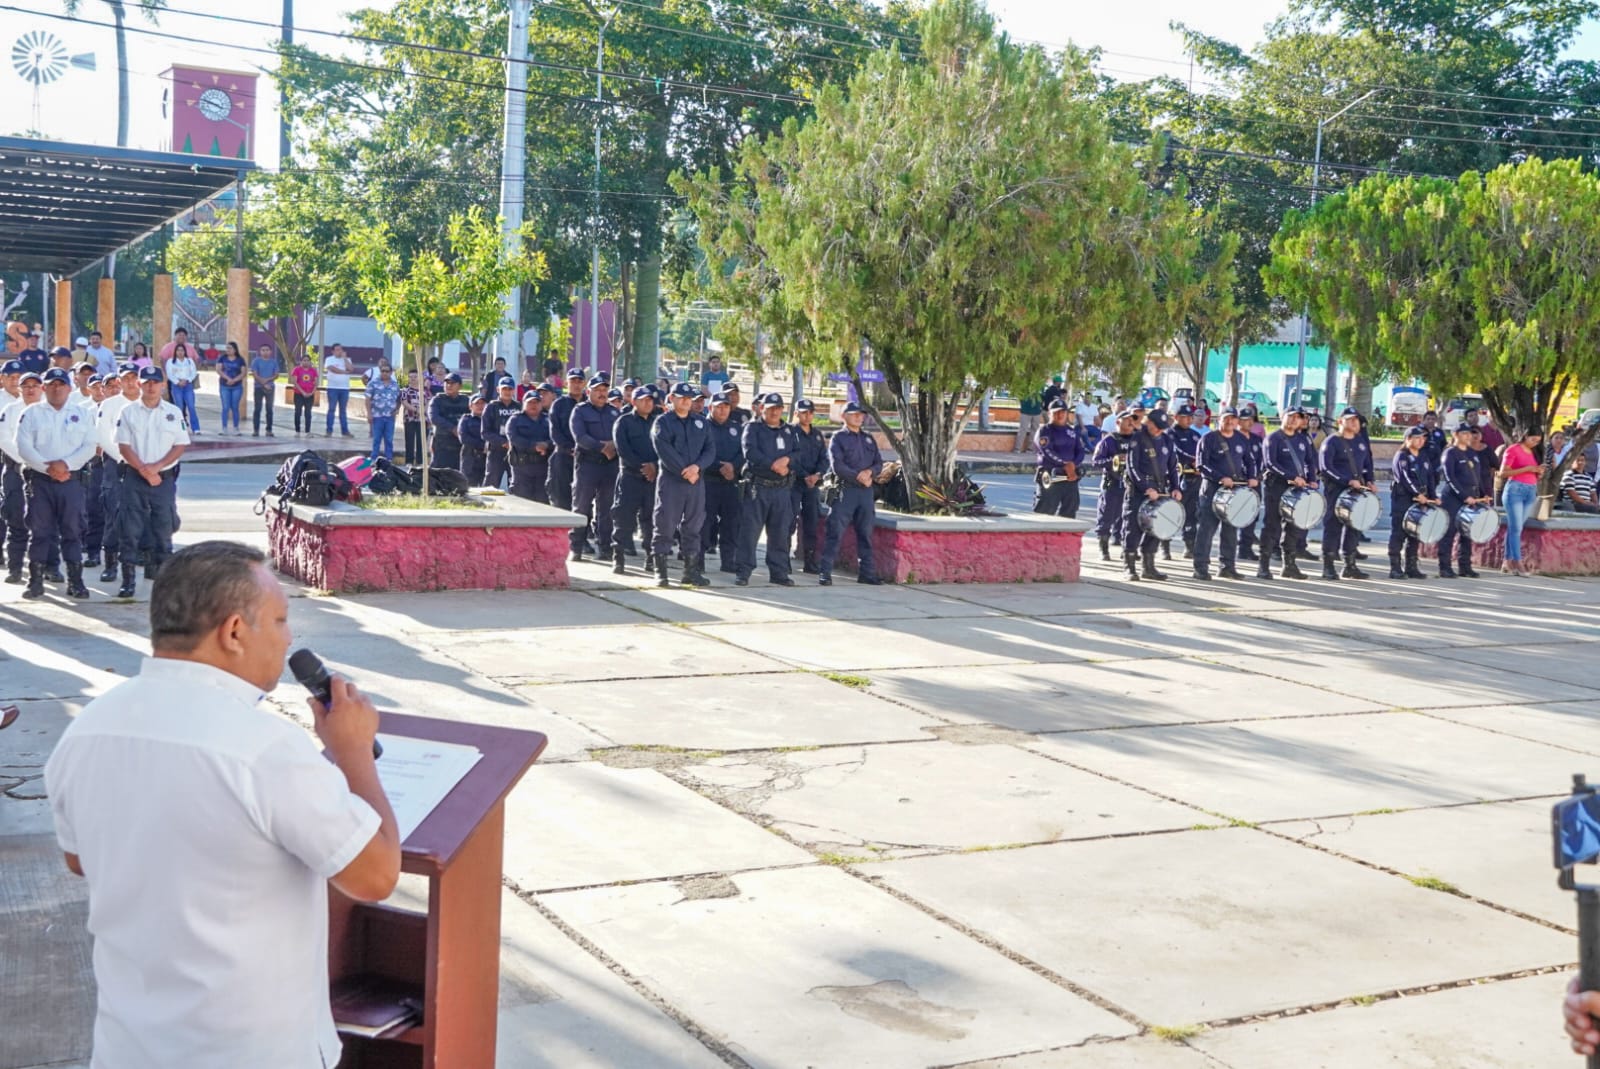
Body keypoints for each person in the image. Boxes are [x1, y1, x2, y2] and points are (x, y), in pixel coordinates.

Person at [43, 541, 400, 1069]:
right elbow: (375, 875)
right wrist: (353, 755)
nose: (289, 639)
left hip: (130, 1046)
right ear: (234, 632)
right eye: (279, 620)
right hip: (249, 1050)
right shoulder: (264, 749)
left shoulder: (88, 728)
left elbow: (79, 860)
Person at [15, 367, 98, 599]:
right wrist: (48, 468)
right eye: (51, 384)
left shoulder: (82, 413)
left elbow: (90, 445)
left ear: (69, 388)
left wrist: (66, 465)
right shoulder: (31, 413)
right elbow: (23, 446)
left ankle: (76, 581)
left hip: (71, 481)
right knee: (40, 532)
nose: (56, 388)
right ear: (44, 388)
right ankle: (35, 581)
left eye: (61, 384)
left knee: (73, 531)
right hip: (40, 481)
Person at [111, 366, 189, 597]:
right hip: (135, 477)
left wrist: (157, 467)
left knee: (163, 528)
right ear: (139, 384)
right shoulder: (128, 412)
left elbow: (180, 445)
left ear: (163, 385)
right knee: (130, 530)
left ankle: (164, 582)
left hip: (162, 478)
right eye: (146, 382)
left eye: (155, 382)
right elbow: (123, 445)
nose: (151, 386)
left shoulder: (173, 412)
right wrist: (144, 470)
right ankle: (128, 581)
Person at [651, 383, 714, 587]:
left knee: (694, 526)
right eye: (682, 397)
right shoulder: (663, 422)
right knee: (665, 524)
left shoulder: (701, 422)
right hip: (672, 481)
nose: (687, 401)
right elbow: (664, 450)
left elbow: (710, 449)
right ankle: (661, 572)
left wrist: (697, 467)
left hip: (696, 481)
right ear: (671, 398)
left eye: (690, 397)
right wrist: (685, 471)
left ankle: (690, 571)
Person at [817, 401, 884, 586]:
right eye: (854, 414)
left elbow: (879, 462)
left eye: (861, 414)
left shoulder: (868, 438)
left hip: (865, 492)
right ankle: (825, 572)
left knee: (866, 533)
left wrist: (870, 473)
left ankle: (867, 573)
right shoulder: (838, 438)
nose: (858, 417)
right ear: (844, 416)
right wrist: (858, 476)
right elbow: (837, 466)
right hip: (845, 491)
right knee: (835, 533)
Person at [736, 392, 797, 587]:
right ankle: (743, 572)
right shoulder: (752, 429)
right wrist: (772, 464)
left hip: (781, 490)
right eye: (770, 408)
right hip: (758, 487)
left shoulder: (789, 431)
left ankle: (778, 572)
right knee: (750, 532)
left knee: (780, 533)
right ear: (762, 408)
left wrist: (787, 461)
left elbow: (799, 452)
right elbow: (750, 451)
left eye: (778, 408)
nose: (774, 412)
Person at [1120, 408, 1182, 582]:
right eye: (1157, 426)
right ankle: (1129, 567)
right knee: (1133, 527)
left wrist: (1176, 487)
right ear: (1149, 423)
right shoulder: (1138, 439)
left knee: (1156, 526)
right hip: (1140, 490)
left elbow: (1172, 466)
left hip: (1160, 487)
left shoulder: (1167, 440)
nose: (1159, 430)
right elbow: (1132, 467)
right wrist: (1145, 487)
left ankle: (1149, 566)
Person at [1192, 407, 1253, 582]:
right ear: (1220, 420)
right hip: (1212, 489)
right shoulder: (1209, 439)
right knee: (1207, 529)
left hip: (1234, 491)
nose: (1230, 422)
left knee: (1231, 530)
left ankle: (1227, 566)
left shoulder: (1241, 439)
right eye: (1227, 419)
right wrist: (1220, 477)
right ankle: (1200, 567)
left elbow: (1249, 461)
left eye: (1233, 419)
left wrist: (1252, 477)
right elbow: (1201, 465)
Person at [1319, 407, 1377, 580]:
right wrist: (1346, 480)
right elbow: (1326, 468)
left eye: (1356, 420)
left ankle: (1350, 565)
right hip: (1337, 488)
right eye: (1350, 419)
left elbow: (1367, 465)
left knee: (1354, 525)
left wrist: (1370, 481)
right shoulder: (1332, 442)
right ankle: (1328, 565)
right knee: (1333, 526)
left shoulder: (1360, 442)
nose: (1354, 423)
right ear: (1340, 421)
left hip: (1357, 489)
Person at [1258, 407, 1316, 581]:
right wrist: (1292, 477)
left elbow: (1310, 462)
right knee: (1272, 526)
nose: (1293, 420)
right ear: (1283, 417)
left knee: (1294, 526)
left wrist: (1312, 479)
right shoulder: (1273, 438)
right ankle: (1264, 566)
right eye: (1290, 417)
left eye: (1297, 417)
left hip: (1297, 489)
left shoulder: (1302, 439)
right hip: (1277, 486)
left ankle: (1289, 565)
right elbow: (1270, 463)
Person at [569, 375, 620, 561]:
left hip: (610, 466)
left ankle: (605, 547)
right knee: (581, 505)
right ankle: (576, 546)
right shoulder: (580, 411)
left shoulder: (614, 412)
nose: (602, 393)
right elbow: (580, 436)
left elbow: (622, 435)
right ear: (588, 392)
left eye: (605, 390)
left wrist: (613, 446)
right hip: (588, 464)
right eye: (598, 390)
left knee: (607, 508)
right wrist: (602, 448)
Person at [0, 363, 41, 584]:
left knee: (43, 523)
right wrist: (30, 460)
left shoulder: (49, 410)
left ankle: (46, 568)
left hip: (42, 473)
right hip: (17, 470)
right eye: (26, 386)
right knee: (15, 519)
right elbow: (5, 440)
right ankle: (15, 567)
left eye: (35, 385)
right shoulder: (10, 410)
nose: (29, 389)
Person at [610, 384, 658, 572]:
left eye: (650, 400)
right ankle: (618, 557)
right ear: (634, 401)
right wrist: (643, 467)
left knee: (651, 520)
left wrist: (654, 466)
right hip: (630, 477)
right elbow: (623, 450)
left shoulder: (658, 422)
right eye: (644, 400)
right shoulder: (624, 422)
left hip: (652, 479)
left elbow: (665, 448)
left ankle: (650, 557)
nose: (648, 403)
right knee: (623, 518)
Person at [1436, 423, 1490, 579]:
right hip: (1453, 498)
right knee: (1449, 533)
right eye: (1465, 433)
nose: (1469, 436)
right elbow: (1450, 478)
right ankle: (1444, 566)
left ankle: (1465, 566)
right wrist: (1463, 496)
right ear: (1456, 435)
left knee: (1467, 533)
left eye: (1470, 433)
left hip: (1472, 499)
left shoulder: (1472, 453)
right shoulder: (1450, 453)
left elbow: (1477, 477)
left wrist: (1483, 494)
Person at [1387, 426, 1441, 580]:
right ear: (1408, 439)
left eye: (1423, 438)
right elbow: (1404, 478)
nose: (1421, 440)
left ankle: (1411, 566)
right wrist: (1416, 493)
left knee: (1415, 534)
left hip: (1421, 500)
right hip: (1403, 499)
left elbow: (1430, 477)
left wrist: (1432, 495)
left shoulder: (1423, 456)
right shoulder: (1401, 456)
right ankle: (1395, 567)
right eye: (1417, 437)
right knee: (1399, 533)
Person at [702, 392, 744, 574]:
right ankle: (698, 560)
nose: (722, 410)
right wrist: (719, 467)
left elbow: (744, 453)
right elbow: (699, 452)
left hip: (730, 482)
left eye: (726, 406)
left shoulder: (737, 428)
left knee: (731, 522)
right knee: (704, 522)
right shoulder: (701, 426)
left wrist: (733, 467)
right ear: (710, 408)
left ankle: (728, 560)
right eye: (718, 406)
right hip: (708, 481)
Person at [1091, 409, 1136, 561]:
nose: (1131, 422)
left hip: (1130, 484)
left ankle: (1127, 549)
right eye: (1127, 419)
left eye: (1132, 420)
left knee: (1129, 519)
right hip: (1112, 483)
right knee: (1107, 516)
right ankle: (1103, 547)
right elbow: (1096, 461)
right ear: (1118, 422)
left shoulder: (1136, 440)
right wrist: (1114, 460)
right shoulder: (1109, 441)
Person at [1500, 426, 1544, 576]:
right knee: (1517, 528)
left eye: (1537, 441)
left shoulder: (1533, 452)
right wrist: (1527, 468)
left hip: (1530, 490)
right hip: (1515, 490)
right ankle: (1518, 562)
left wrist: (1538, 471)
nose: (1534, 443)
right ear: (1525, 436)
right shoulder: (1513, 449)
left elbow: (1532, 471)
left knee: (1515, 527)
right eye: (1532, 439)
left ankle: (1507, 560)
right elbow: (1503, 472)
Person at [790, 398, 827, 574]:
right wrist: (804, 475)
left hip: (812, 485)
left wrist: (817, 475)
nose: (807, 415)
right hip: (794, 483)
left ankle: (810, 561)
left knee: (811, 522)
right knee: (788, 522)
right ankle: (783, 559)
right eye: (803, 412)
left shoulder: (817, 434)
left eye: (810, 412)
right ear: (796, 413)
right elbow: (790, 459)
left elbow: (824, 459)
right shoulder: (789, 433)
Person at [1033, 398, 1083, 519]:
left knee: (1069, 512)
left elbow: (1080, 451)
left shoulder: (1071, 432)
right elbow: (1046, 451)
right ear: (1049, 413)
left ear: (1066, 413)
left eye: (1062, 412)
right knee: (1044, 513)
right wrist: (1065, 464)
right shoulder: (1044, 431)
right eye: (1056, 412)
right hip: (1051, 476)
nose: (1060, 415)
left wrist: (1073, 465)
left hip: (1070, 477)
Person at [547, 370, 585, 513]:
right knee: (561, 498)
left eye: (579, 381)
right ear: (566, 383)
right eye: (572, 381)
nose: (576, 385)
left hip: (585, 458)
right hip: (563, 456)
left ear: (584, 383)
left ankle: (582, 533)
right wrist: (570, 448)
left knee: (582, 499)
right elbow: (555, 432)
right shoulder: (559, 405)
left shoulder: (589, 404)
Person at [504, 390, 552, 502]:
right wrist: (534, 446)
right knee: (522, 502)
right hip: (522, 467)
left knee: (542, 503)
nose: (533, 405)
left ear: (541, 404)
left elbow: (556, 437)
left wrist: (546, 445)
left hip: (543, 467)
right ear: (524, 404)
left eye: (536, 402)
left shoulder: (548, 419)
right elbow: (513, 438)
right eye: (530, 402)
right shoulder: (515, 419)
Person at [1168, 404, 1202, 556]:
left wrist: (1200, 461)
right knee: (1171, 512)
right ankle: (1165, 545)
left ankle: (1189, 544)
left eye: (1191, 417)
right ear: (1176, 417)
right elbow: (1175, 450)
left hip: (1194, 478)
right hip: (1176, 477)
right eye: (1185, 417)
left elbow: (1203, 449)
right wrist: (1191, 460)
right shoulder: (1170, 433)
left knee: (1191, 513)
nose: (1189, 420)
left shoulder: (1195, 434)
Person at [428, 373, 470, 471]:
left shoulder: (466, 400)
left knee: (459, 474)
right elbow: (434, 418)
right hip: (442, 444)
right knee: (438, 473)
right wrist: (452, 428)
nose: (449, 385)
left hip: (460, 444)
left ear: (460, 386)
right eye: (446, 383)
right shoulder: (437, 400)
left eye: (452, 383)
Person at [364, 363, 400, 461]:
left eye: (387, 371)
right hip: (377, 416)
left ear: (391, 372)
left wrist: (397, 409)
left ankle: (389, 459)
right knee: (376, 439)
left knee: (389, 439)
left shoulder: (395, 385)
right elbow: (367, 399)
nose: (384, 373)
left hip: (390, 417)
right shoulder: (373, 383)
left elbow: (399, 399)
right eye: (382, 371)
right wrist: (369, 414)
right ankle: (373, 459)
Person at [321, 344, 353, 437]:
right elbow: (332, 369)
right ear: (333, 351)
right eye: (337, 350)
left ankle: (345, 431)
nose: (339, 351)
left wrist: (345, 359)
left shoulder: (347, 359)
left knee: (343, 410)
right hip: (333, 388)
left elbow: (351, 369)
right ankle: (329, 430)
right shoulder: (329, 359)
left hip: (344, 388)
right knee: (331, 409)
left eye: (341, 349)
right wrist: (344, 372)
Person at [250, 344, 280, 437]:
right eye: (263, 350)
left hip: (270, 388)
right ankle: (256, 430)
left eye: (267, 350)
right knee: (257, 409)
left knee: (269, 409)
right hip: (258, 388)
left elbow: (276, 374)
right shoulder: (256, 361)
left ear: (270, 351)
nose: (265, 352)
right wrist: (263, 383)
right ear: (260, 351)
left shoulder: (273, 362)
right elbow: (254, 374)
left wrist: (267, 381)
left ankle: (269, 430)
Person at [458, 396, 488, 486]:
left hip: (486, 458)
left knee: (487, 487)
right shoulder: (466, 419)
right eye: (477, 403)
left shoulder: (490, 420)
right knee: (469, 487)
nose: (480, 406)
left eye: (482, 403)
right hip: (470, 457)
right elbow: (464, 438)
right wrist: (484, 446)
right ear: (470, 406)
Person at [216, 341, 246, 435]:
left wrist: (234, 380)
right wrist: (228, 379)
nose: (228, 350)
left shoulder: (240, 359)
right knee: (225, 407)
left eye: (230, 348)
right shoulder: (222, 358)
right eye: (227, 348)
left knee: (234, 407)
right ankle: (224, 427)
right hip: (224, 385)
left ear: (235, 349)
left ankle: (236, 428)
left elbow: (243, 372)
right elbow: (219, 370)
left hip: (237, 386)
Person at [288, 351, 318, 436]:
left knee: (308, 413)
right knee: (298, 412)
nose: (306, 362)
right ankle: (297, 431)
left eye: (307, 360)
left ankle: (307, 431)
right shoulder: (297, 370)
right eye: (304, 360)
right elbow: (295, 382)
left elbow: (316, 383)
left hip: (310, 395)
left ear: (310, 362)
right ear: (301, 361)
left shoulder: (313, 370)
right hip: (299, 394)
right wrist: (303, 392)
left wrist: (312, 392)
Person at [398, 373, 423, 464]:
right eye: (410, 377)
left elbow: (429, 400)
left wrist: (424, 411)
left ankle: (421, 462)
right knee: (409, 441)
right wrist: (416, 410)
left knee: (421, 441)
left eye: (415, 376)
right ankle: (409, 462)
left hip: (422, 420)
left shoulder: (425, 390)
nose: (413, 379)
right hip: (409, 418)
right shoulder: (405, 390)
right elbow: (404, 402)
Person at [1013, 386, 1043, 454]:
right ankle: (1017, 448)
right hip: (1026, 411)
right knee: (1023, 429)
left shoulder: (1040, 385)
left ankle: (1030, 449)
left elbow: (1042, 397)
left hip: (1036, 411)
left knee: (1034, 430)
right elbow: (1020, 397)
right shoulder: (1025, 385)